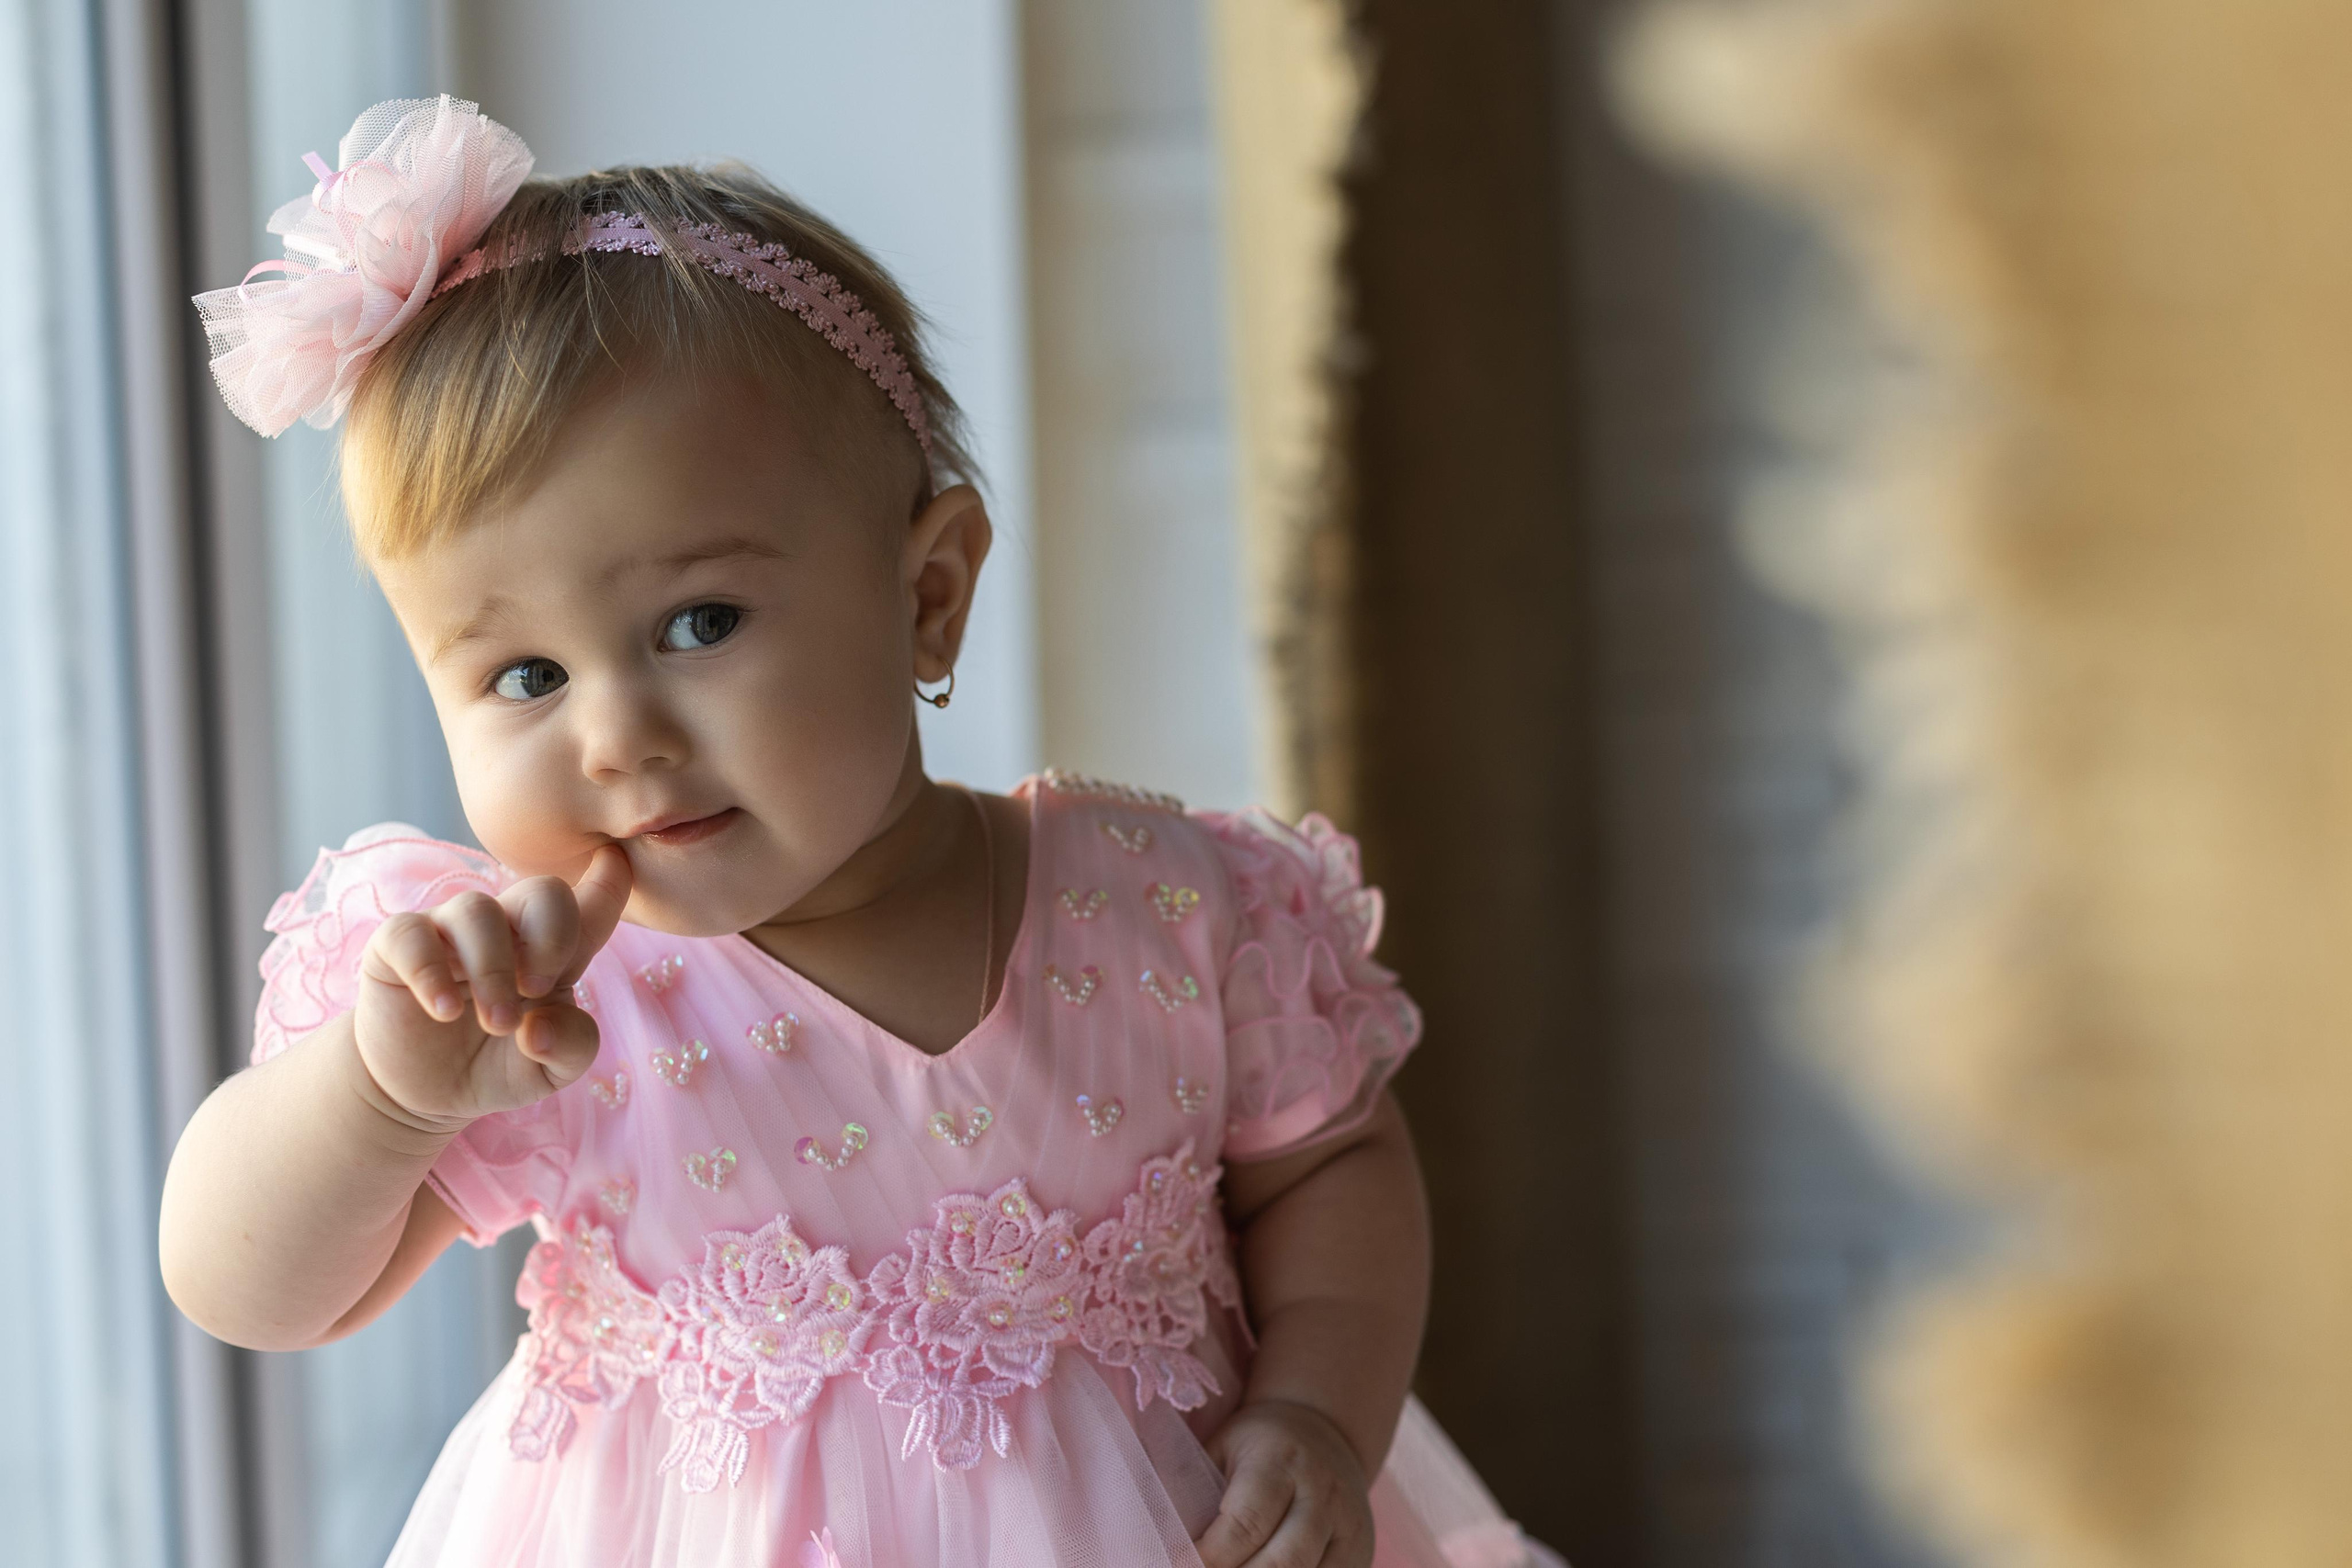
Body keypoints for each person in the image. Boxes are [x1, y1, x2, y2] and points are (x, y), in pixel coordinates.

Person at [160, 97, 1558, 1568]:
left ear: (928, 593)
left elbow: (1331, 1170)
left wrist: (1320, 1415)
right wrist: (382, 1100)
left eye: (698, 623)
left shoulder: (1175, 911)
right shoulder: (526, 997)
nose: (613, 735)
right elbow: (251, 1292)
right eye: (525, 675)